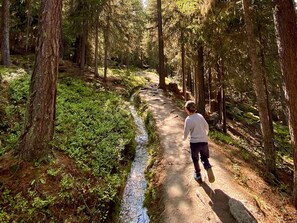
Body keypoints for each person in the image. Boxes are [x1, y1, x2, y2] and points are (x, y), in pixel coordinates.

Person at [183, 100, 214, 183]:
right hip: (204, 141)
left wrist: (184, 138)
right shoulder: (200, 116)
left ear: (187, 109)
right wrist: (205, 134)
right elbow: (206, 126)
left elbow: (186, 132)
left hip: (194, 143)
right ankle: (208, 167)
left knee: (195, 159)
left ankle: (197, 174)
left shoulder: (188, 119)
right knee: (204, 158)